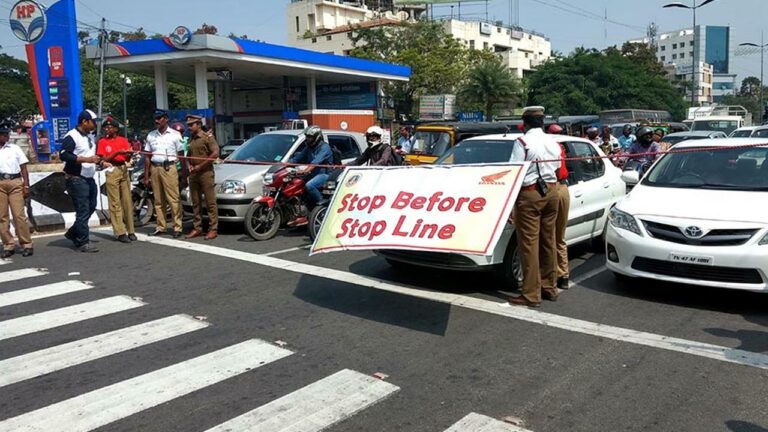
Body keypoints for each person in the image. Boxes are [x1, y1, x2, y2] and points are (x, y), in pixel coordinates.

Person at [507, 106, 563, 308]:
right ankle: (549, 287)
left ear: (525, 123)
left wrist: (510, 205)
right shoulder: (553, 142)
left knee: (529, 244)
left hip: (530, 193)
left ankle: (531, 293)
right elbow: (557, 167)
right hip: (552, 191)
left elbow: (513, 172)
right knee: (549, 241)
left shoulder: (522, 142)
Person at [61, 109, 102, 252]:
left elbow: (91, 156)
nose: (95, 125)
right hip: (77, 179)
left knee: (92, 206)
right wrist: (85, 159)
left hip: (89, 177)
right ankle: (83, 241)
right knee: (83, 210)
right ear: (84, 122)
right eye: (93, 122)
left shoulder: (89, 137)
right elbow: (64, 155)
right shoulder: (72, 136)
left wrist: (100, 162)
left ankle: (74, 232)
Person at [144, 109, 184, 238]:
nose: (156, 120)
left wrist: (184, 173)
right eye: (155, 118)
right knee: (158, 200)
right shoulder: (151, 135)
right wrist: (146, 175)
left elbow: (181, 155)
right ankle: (161, 227)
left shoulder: (175, 135)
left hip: (169, 168)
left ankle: (177, 227)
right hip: (155, 168)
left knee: (173, 199)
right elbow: (147, 157)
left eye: (159, 118)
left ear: (166, 119)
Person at [96, 117, 136, 243]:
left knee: (127, 201)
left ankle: (131, 230)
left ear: (116, 129)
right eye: (105, 127)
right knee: (114, 202)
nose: (107, 129)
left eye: (110, 127)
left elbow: (127, 157)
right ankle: (120, 231)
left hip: (123, 169)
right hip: (112, 169)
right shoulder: (102, 142)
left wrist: (129, 154)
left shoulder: (123, 140)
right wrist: (117, 152)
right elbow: (104, 159)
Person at [288, 126, 334, 227]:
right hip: (312, 174)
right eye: (307, 136)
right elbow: (297, 159)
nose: (307, 138)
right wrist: (283, 164)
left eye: (310, 137)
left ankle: (323, 208)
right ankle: (300, 213)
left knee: (310, 185)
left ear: (316, 137)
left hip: (325, 175)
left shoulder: (324, 147)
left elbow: (315, 162)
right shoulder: (308, 147)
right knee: (293, 185)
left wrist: (305, 170)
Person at [0, 123, 33, 258]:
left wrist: (26, 185)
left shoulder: (14, 148)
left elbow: (23, 168)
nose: (6, 136)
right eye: (3, 134)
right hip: (0, 183)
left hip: (15, 182)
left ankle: (26, 244)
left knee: (18, 214)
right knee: (2, 216)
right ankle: (8, 244)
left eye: (7, 134)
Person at [184, 115, 220, 240]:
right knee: (195, 202)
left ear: (198, 125)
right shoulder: (191, 139)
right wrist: (188, 165)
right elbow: (188, 155)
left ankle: (213, 229)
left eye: (191, 125)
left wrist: (200, 166)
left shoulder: (207, 137)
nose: (189, 127)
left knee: (210, 202)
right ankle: (197, 228)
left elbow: (215, 153)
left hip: (206, 173)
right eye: (188, 125)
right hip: (194, 173)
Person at [554, 140, 570, 290]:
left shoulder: (530, 145)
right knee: (559, 237)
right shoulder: (557, 145)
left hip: (552, 188)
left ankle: (556, 275)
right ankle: (563, 275)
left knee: (549, 237)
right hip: (562, 187)